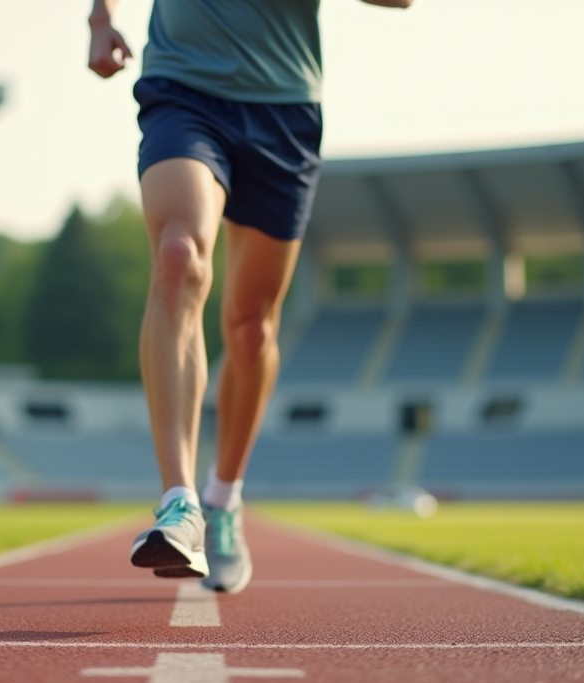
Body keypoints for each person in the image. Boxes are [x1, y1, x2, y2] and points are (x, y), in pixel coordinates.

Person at [88, 0, 413, 594]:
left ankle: (223, 500)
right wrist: (101, 18)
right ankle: (179, 503)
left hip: (283, 106)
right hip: (184, 88)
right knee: (179, 259)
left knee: (252, 327)